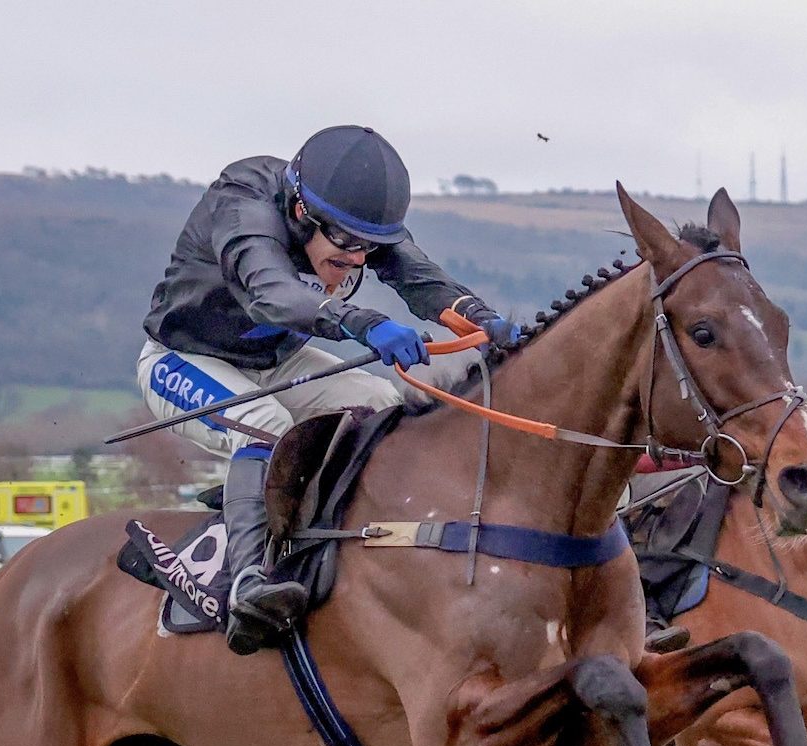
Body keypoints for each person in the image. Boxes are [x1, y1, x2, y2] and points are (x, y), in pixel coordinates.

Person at [138, 125, 521, 654]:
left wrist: (480, 317)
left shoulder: (347, 228)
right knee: (266, 425)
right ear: (300, 212)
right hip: (183, 361)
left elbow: (417, 277)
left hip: (278, 364)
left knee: (383, 407)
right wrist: (363, 322)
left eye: (368, 249)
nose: (357, 261)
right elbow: (273, 295)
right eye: (344, 251)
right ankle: (248, 585)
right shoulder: (244, 209)